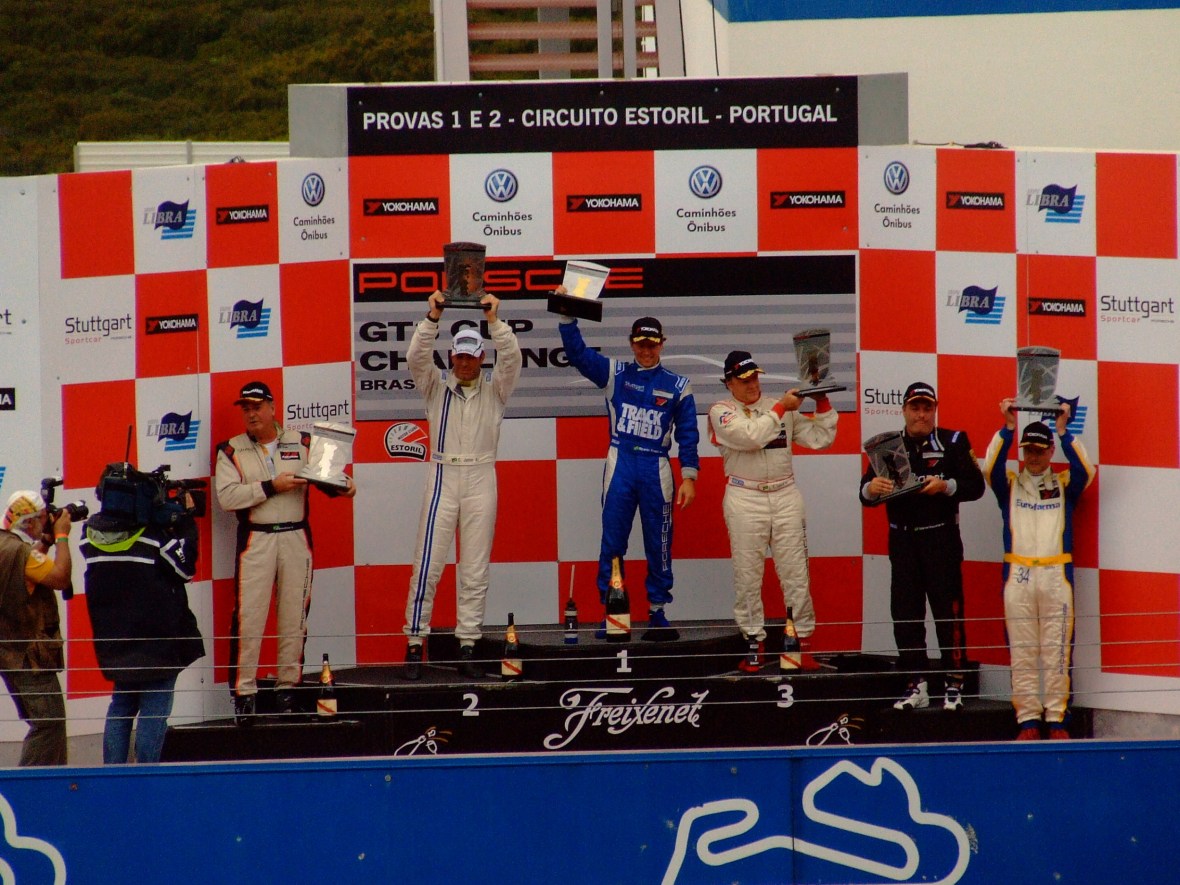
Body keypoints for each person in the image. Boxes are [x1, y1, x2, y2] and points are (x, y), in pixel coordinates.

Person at [215, 380, 356, 725]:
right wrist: (271, 486)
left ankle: (287, 691)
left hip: (296, 535)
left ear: (273, 408)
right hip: (256, 538)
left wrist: (344, 485)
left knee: (294, 618)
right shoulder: (230, 449)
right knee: (249, 619)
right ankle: (244, 696)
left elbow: (332, 480)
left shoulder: (302, 441)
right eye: (246, 408)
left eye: (257, 407)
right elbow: (227, 498)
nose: (251, 414)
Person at [558, 307, 700, 641]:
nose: (646, 350)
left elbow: (688, 434)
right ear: (631, 343)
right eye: (640, 344)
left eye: (652, 344)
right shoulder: (615, 374)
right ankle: (612, 612)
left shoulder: (679, 385)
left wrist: (689, 476)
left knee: (659, 542)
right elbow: (577, 354)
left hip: (656, 466)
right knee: (612, 542)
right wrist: (567, 318)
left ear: (662, 343)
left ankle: (657, 611)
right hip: (620, 461)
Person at [402, 289, 522, 680]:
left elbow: (513, 358)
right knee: (427, 565)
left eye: (472, 356)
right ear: (451, 356)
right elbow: (415, 357)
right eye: (460, 356)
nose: (466, 362)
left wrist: (494, 322)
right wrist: (432, 317)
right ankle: (414, 644)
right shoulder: (434, 387)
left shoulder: (496, 390)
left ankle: (467, 644)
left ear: (482, 356)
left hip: (481, 477)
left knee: (474, 569)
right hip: (443, 475)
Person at [708, 350, 838, 672]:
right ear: (729, 383)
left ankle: (801, 643)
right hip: (744, 496)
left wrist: (821, 401)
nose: (752, 384)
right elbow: (751, 437)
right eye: (744, 380)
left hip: (785, 495)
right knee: (747, 576)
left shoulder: (780, 408)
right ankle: (755, 643)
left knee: (796, 574)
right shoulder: (721, 411)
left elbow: (821, 438)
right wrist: (782, 407)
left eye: (755, 377)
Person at [859, 382, 985, 711]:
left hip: (941, 540)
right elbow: (865, 494)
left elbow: (976, 486)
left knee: (948, 614)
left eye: (927, 408)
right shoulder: (887, 445)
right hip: (902, 542)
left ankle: (954, 683)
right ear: (904, 410)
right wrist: (873, 488)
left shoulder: (953, 441)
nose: (921, 414)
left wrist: (946, 486)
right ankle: (916, 684)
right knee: (906, 616)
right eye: (915, 408)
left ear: (935, 410)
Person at [983, 401, 1095, 740]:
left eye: (1039, 450)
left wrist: (1063, 432)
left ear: (1049, 451)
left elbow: (1086, 470)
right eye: (1028, 450)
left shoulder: (1064, 484)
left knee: (1057, 649)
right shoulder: (1009, 485)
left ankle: (1058, 720)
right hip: (1017, 575)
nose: (1033, 456)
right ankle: (1028, 721)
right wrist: (1007, 427)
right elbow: (989, 467)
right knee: (1022, 651)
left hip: (1055, 575)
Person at [80, 467, 205, 763]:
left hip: (115, 641)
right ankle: (146, 775)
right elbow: (185, 569)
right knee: (154, 710)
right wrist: (185, 523)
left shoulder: (89, 537)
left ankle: (113, 774)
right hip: (158, 643)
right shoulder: (152, 539)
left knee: (121, 707)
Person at [0, 490, 73, 766]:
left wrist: (45, 542)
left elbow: (24, 574)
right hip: (29, 655)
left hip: (9, 652)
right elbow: (61, 578)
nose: (47, 522)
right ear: (28, 521)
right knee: (48, 724)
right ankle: (28, 784)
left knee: (44, 722)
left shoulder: (7, 547)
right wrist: (62, 537)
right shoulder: (21, 553)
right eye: (42, 518)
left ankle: (45, 784)